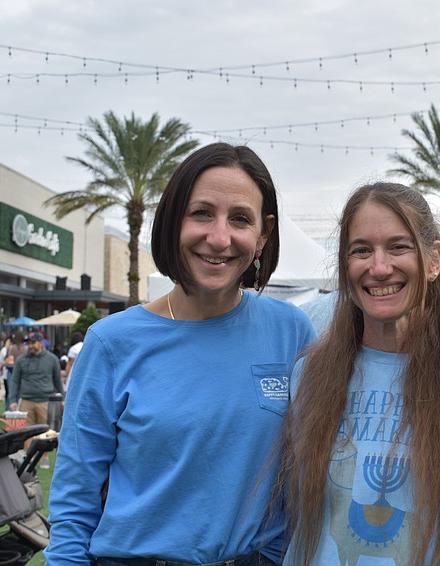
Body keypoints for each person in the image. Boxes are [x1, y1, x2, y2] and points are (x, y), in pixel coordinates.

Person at [45, 143, 317, 565]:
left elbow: (310, 472)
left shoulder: (291, 331)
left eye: (240, 219)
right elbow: (73, 500)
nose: (219, 237)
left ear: (262, 235)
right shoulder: (110, 343)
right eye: (201, 213)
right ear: (173, 221)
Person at [278, 182, 440, 565]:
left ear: (434, 260)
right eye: (361, 250)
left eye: (398, 246)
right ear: (344, 266)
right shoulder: (310, 375)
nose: (379, 267)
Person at [9, 332, 63, 429]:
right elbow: (15, 381)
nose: (30, 346)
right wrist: (12, 400)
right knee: (25, 434)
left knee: (45, 433)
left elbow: (57, 381)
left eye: (33, 343)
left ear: (41, 342)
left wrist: (62, 399)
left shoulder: (52, 359)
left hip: (45, 401)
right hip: (26, 401)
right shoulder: (21, 360)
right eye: (28, 343)